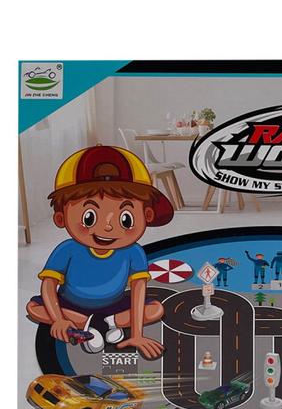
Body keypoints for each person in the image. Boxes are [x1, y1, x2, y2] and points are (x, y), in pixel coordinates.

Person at [26, 145, 173, 359]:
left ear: (147, 216)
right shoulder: (67, 249)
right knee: (33, 307)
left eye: (125, 219)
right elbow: (49, 285)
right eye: (89, 218)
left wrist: (137, 335)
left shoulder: (134, 252)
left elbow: (139, 289)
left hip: (114, 305)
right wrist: (58, 319)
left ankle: (100, 324)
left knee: (155, 309)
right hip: (71, 304)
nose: (107, 227)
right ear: (60, 218)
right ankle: (94, 324)